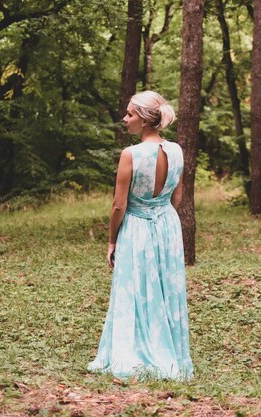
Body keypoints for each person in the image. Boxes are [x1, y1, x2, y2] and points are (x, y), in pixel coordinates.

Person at [87, 91, 194, 380]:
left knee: (134, 287)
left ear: (146, 120)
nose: (125, 118)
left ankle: (135, 352)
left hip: (136, 225)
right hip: (167, 225)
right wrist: (162, 217)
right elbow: (177, 195)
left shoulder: (131, 154)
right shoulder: (176, 151)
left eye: (130, 113)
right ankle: (168, 352)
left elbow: (119, 205)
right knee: (163, 287)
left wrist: (112, 240)